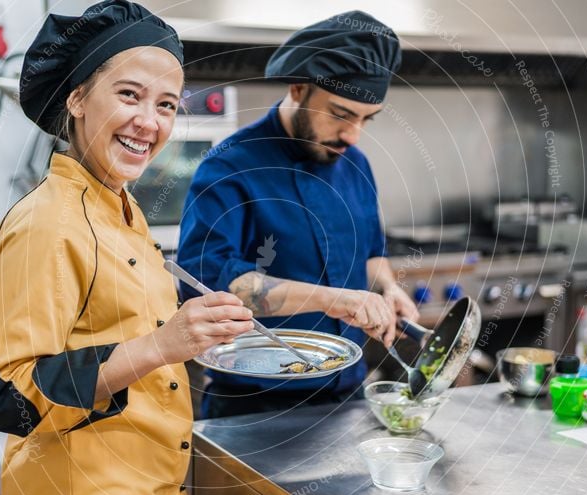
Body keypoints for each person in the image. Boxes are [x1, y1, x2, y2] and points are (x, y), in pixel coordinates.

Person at [0, 1, 253, 495]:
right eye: (130, 95)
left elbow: (121, 335)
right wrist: (162, 345)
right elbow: (6, 396)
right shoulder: (47, 225)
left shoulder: (122, 209)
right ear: (77, 98)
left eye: (167, 104)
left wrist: (191, 337)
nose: (150, 122)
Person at [178, 11, 419, 418]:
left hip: (347, 397)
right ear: (297, 88)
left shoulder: (354, 162)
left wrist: (389, 289)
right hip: (253, 405)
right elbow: (208, 286)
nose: (353, 134)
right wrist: (331, 300)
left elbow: (371, 252)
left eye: (365, 119)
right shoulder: (230, 167)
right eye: (341, 113)